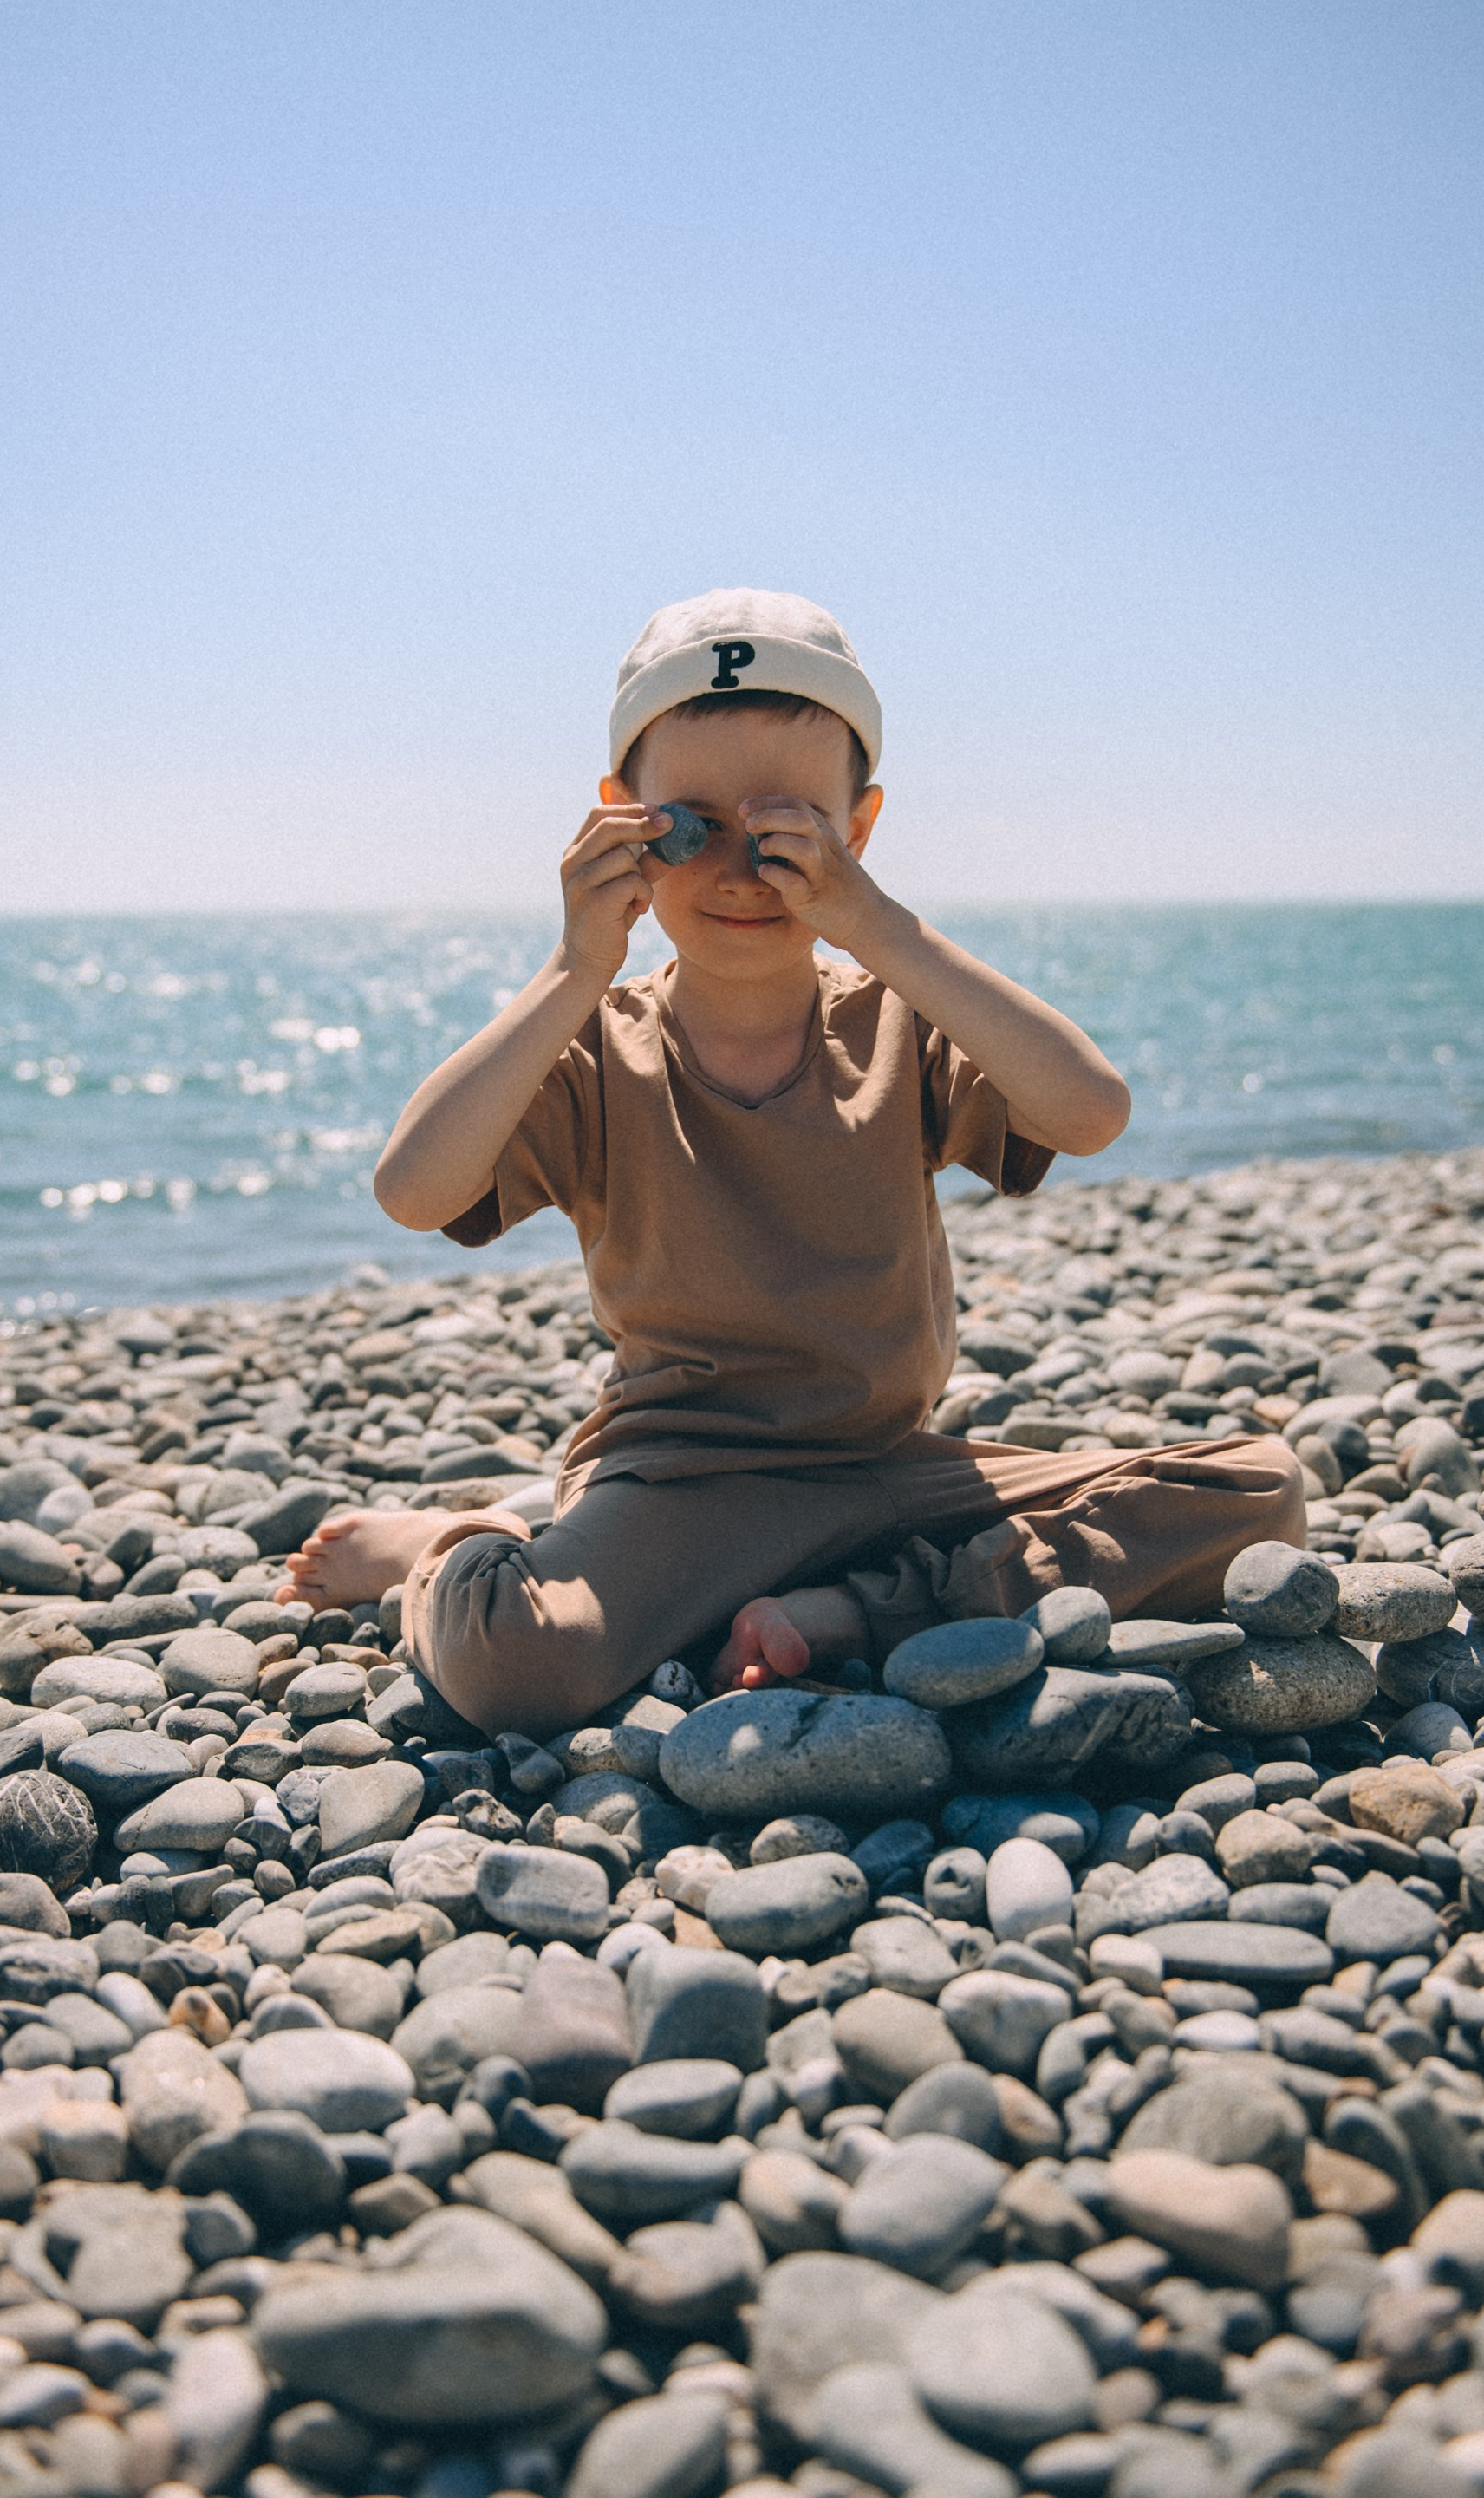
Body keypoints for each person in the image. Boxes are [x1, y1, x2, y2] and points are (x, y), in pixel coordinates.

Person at [277, 590, 1304, 1736]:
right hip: (684, 1479)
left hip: (886, 1464)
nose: (741, 869)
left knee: (1258, 1490)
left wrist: (879, 927)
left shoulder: (896, 1021)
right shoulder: (598, 1049)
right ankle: (450, 1542)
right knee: (517, 1663)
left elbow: (1090, 1109)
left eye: (788, 831)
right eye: (688, 827)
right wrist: (573, 964)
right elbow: (411, 1189)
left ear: (857, 830)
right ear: (617, 823)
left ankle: (851, 1612)